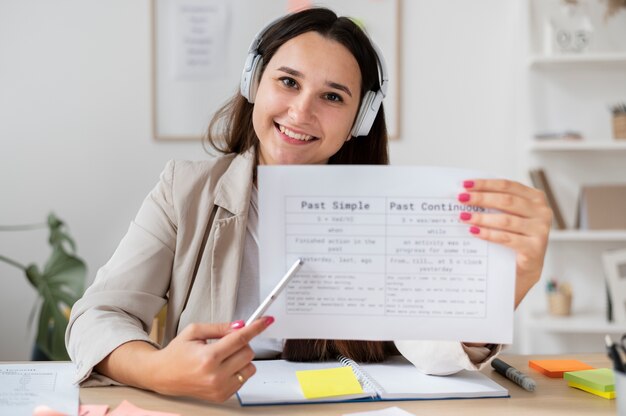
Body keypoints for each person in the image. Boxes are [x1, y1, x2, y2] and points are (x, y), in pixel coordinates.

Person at [66, 7, 552, 403]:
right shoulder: (183, 190)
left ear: (359, 120)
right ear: (254, 83)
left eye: (333, 96)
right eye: (288, 82)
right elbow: (98, 314)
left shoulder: (387, 208)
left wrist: (508, 288)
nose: (301, 112)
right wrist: (157, 369)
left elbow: (432, 352)